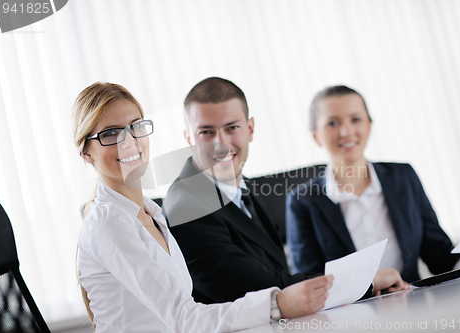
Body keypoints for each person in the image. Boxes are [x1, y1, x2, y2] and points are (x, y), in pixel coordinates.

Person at [74, 82, 337, 333]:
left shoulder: (151, 213)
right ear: (86, 153)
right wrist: (275, 304)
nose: (129, 141)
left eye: (136, 126)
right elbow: (184, 318)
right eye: (110, 133)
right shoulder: (110, 222)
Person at [164, 77, 408, 305]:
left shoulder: (242, 187)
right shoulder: (186, 207)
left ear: (250, 129)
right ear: (188, 138)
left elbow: (278, 273)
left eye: (232, 128)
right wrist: (364, 282)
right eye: (206, 132)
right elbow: (258, 290)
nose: (222, 143)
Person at [286, 85, 460, 282]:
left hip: (414, 304)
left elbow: (440, 258)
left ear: (369, 125)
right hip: (351, 315)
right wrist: (372, 286)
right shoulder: (302, 201)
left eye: (356, 119)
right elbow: (309, 283)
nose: (346, 131)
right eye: (332, 123)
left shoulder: (403, 177)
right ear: (315, 135)